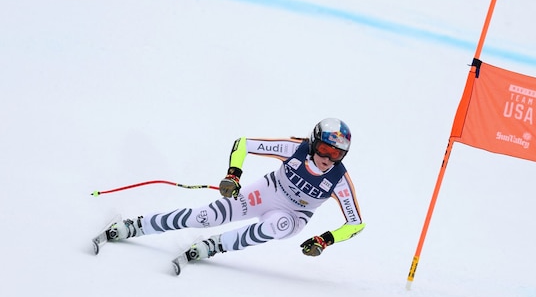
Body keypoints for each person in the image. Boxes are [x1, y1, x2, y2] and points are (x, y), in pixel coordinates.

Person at [105, 118, 364, 260]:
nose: (328, 159)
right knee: (204, 217)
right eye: (324, 150)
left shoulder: (340, 180)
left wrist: (324, 240)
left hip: (294, 216)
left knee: (278, 226)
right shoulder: (294, 147)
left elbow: (356, 224)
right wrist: (234, 175)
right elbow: (243, 144)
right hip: (267, 191)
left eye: (337, 154)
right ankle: (135, 225)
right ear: (313, 142)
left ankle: (216, 246)